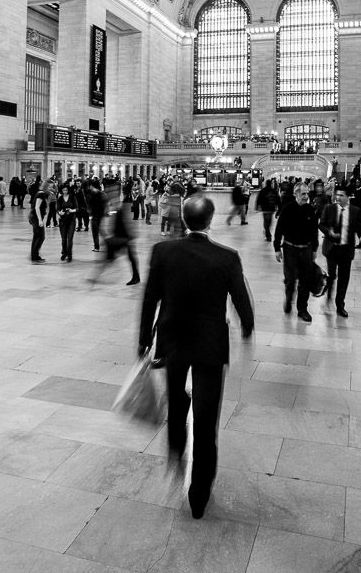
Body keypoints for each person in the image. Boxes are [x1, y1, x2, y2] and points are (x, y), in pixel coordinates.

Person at [137, 195, 254, 520]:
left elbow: (151, 298)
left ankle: (175, 448)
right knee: (206, 419)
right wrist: (247, 326)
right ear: (211, 219)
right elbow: (241, 299)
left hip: (173, 340)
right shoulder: (226, 257)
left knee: (176, 398)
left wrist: (144, 339)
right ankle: (199, 494)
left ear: (185, 219)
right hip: (209, 345)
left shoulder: (163, 251)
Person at [273, 183, 319, 322]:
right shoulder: (287, 209)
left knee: (305, 280)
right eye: (303, 194)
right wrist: (277, 249)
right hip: (290, 249)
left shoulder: (311, 210)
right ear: (296, 194)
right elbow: (279, 230)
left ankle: (302, 309)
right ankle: (288, 298)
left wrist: (315, 249)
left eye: (307, 194)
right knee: (290, 279)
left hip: (306, 249)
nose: (306, 196)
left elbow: (314, 231)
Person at [318, 188, 361, 318]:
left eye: (341, 195)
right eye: (337, 195)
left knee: (344, 279)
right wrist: (329, 232)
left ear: (347, 197)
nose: (338, 197)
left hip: (346, 250)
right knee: (332, 276)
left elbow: (360, 226)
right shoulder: (329, 209)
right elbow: (321, 225)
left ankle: (340, 305)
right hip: (332, 249)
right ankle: (328, 299)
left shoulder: (355, 211)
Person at [56, 184, 78, 262]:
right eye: (63, 190)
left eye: (66, 190)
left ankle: (69, 254)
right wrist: (59, 212)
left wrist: (72, 210)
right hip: (63, 220)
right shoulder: (60, 198)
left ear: (68, 190)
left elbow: (77, 208)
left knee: (70, 238)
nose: (65, 191)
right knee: (64, 239)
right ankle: (64, 253)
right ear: (61, 190)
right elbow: (58, 209)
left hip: (71, 219)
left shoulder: (72, 197)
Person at [28, 186, 47, 264]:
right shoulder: (41, 194)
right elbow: (37, 207)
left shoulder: (40, 193)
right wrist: (40, 220)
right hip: (36, 217)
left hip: (34, 216)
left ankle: (34, 256)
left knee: (36, 236)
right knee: (41, 236)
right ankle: (35, 255)